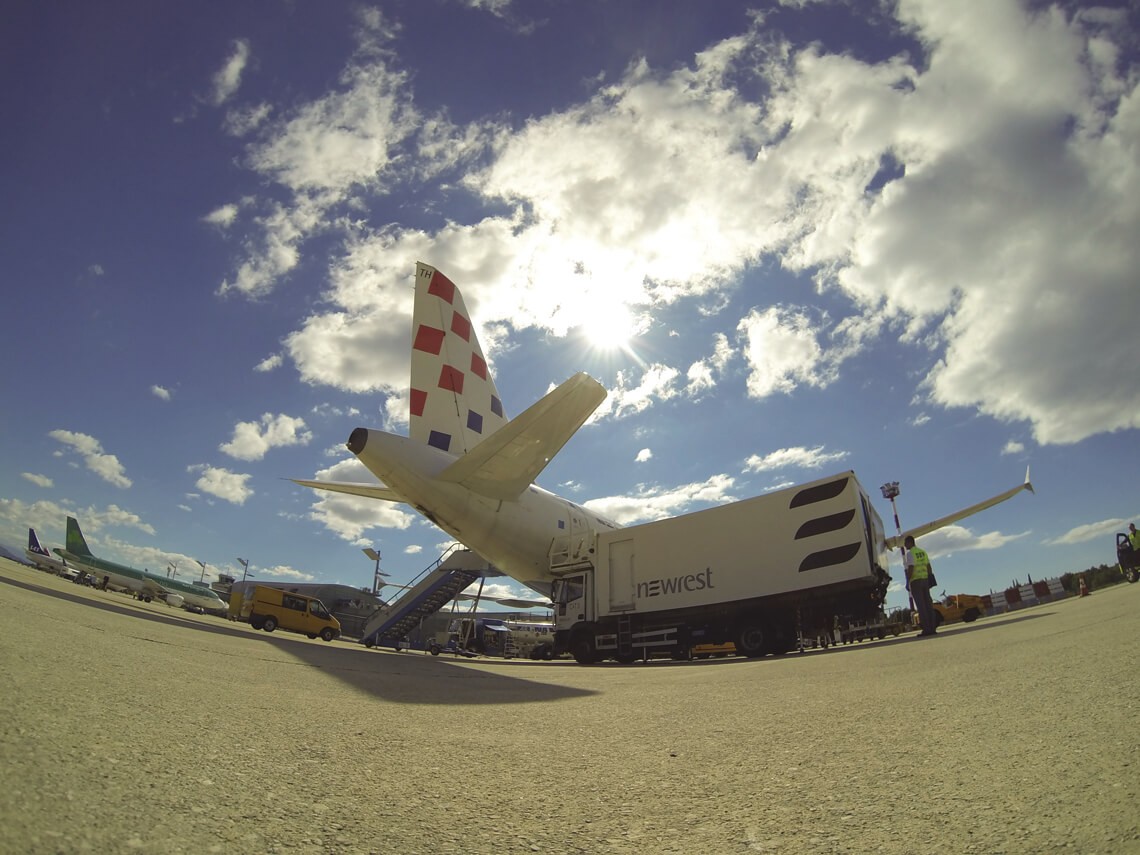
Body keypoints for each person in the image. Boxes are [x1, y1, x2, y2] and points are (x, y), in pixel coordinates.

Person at [904, 535, 937, 637]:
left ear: (910, 543)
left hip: (916, 581)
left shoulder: (910, 554)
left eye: (905, 543)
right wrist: (930, 577)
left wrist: (907, 581)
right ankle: (932, 627)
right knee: (928, 604)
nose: (905, 545)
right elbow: (928, 565)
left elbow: (911, 568)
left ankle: (926, 629)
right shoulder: (922, 552)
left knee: (921, 606)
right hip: (925, 579)